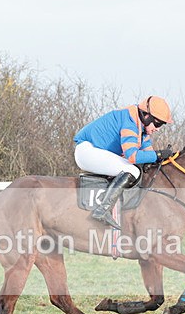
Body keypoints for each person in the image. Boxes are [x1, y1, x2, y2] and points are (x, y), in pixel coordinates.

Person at [73, 96, 173, 229]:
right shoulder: (130, 122)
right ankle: (103, 210)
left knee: (136, 169)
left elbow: (149, 152)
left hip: (93, 151)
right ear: (146, 116)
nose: (158, 128)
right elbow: (132, 156)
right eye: (158, 123)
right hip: (87, 151)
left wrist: (160, 158)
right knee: (132, 170)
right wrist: (158, 154)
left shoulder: (141, 129)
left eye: (161, 125)